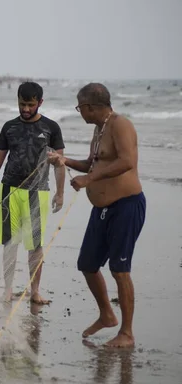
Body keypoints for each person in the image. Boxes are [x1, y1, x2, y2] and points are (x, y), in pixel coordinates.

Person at [48, 83, 145, 348]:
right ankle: (107, 314)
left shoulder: (120, 125)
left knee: (119, 269)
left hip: (125, 206)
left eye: (80, 107)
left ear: (90, 107)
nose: (80, 112)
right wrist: (63, 160)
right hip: (101, 210)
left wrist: (89, 179)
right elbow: (93, 163)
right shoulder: (99, 130)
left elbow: (127, 162)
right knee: (87, 264)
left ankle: (127, 333)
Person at [0, 82, 65, 304]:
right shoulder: (9, 127)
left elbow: (59, 163)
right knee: (10, 243)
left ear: (40, 103)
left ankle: (35, 292)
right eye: (22, 104)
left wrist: (60, 193)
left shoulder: (51, 128)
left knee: (35, 244)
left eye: (30, 105)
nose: (25, 109)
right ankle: (7, 290)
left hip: (38, 192)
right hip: (9, 190)